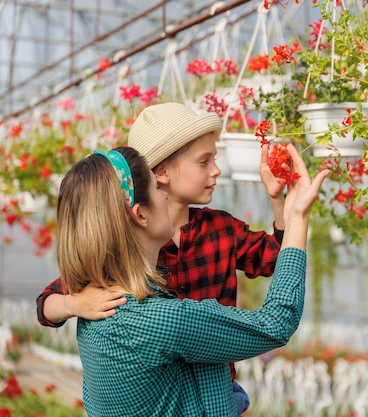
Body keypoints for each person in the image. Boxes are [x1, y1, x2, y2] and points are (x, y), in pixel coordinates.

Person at [35, 102, 286, 414]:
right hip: (169, 393)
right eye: (203, 161)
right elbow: (46, 303)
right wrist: (74, 303)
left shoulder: (222, 228)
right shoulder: (130, 252)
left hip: (216, 387)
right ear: (162, 174)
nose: (216, 170)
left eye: (215, 159)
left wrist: (279, 202)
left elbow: (278, 259)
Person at [56, 145, 328, 416]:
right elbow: (276, 324)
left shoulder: (96, 305)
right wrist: (298, 216)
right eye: (157, 189)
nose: (164, 198)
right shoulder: (160, 320)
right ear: (140, 215)